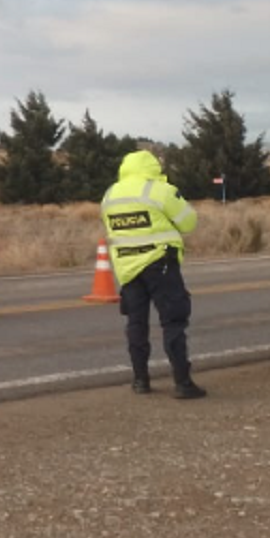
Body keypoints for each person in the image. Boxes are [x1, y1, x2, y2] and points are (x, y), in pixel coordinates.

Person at [101, 149, 203, 398]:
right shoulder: (159, 190)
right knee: (173, 321)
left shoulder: (110, 194)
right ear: (153, 167)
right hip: (160, 263)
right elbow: (189, 222)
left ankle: (140, 381)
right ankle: (182, 383)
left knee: (136, 324)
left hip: (127, 268)